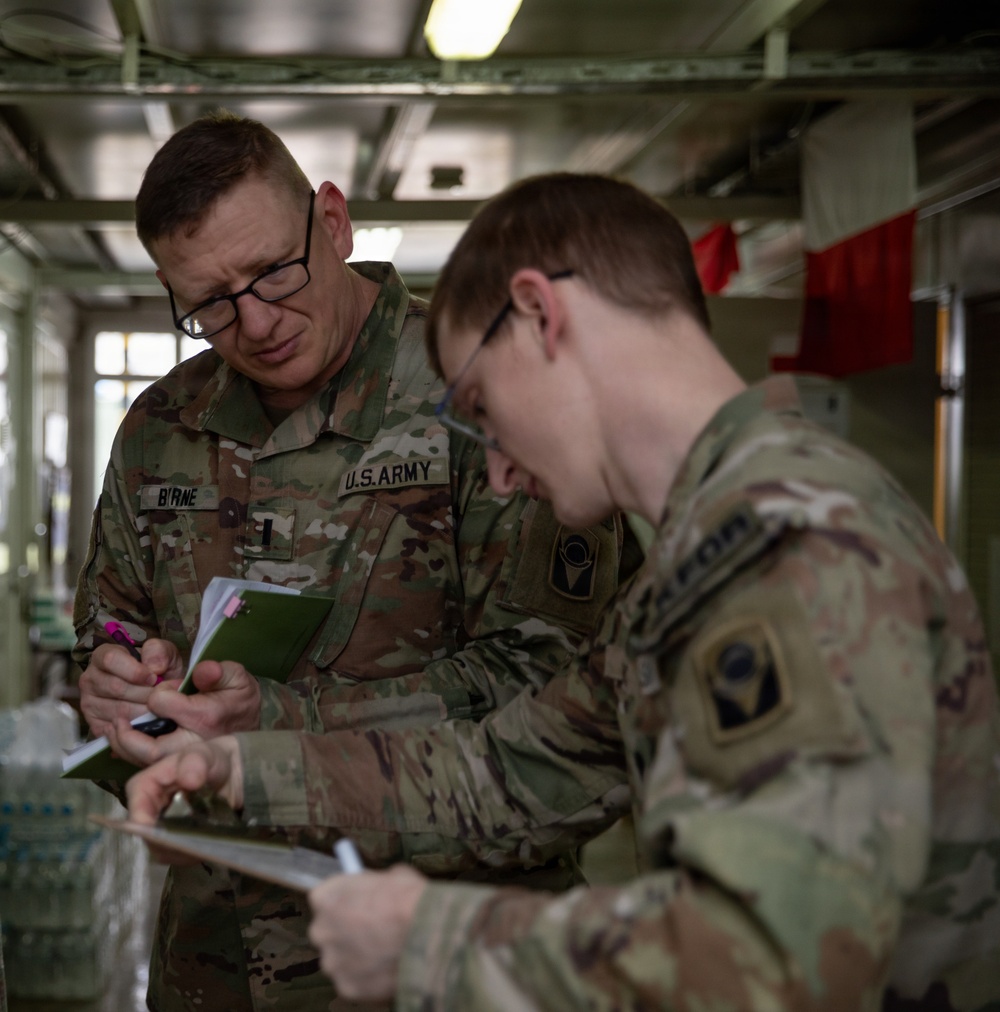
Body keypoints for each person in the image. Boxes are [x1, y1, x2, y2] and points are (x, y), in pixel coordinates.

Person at [121, 172, 1000, 1011]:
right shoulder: (705, 554)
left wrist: (430, 942)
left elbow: (784, 966)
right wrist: (251, 768)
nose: (497, 471)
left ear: (543, 316)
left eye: (484, 406)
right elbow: (510, 771)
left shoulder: (787, 549)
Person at [72, 120, 633, 1012]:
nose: (253, 323)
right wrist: (113, 677)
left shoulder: (477, 393)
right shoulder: (159, 428)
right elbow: (106, 622)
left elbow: (555, 694)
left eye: (272, 275)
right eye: (209, 303)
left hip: (433, 954)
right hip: (214, 957)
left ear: (333, 222)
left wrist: (281, 722)